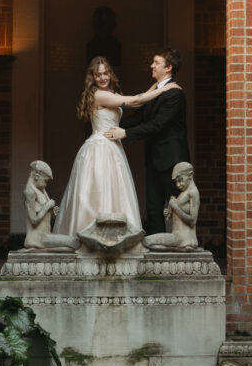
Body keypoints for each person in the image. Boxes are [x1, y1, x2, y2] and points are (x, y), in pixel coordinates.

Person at [53, 56, 176, 237]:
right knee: (97, 192)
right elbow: (134, 101)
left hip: (113, 148)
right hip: (99, 149)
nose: (102, 77)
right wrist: (165, 88)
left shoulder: (112, 93)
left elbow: (139, 101)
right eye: (98, 75)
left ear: (110, 74)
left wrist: (156, 87)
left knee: (115, 193)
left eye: (105, 73)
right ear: (92, 77)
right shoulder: (99, 94)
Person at [105, 48, 190, 235]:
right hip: (153, 160)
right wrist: (107, 123)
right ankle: (156, 250)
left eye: (156, 62)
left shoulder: (174, 94)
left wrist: (125, 133)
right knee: (153, 209)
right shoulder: (158, 92)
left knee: (179, 209)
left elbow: (157, 125)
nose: (152, 65)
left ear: (168, 68)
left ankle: (183, 250)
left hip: (171, 160)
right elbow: (140, 116)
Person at [23, 160, 79, 251]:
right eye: (45, 181)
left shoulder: (41, 190)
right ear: (36, 176)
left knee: (74, 244)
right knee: (74, 243)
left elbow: (43, 216)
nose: (45, 184)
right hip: (38, 239)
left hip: (45, 235)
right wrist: (47, 206)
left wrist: (52, 213)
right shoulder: (30, 192)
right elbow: (33, 220)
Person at [144, 162, 200, 251]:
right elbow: (178, 218)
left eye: (180, 180)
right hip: (178, 237)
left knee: (146, 241)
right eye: (176, 182)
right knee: (149, 244)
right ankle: (181, 248)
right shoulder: (184, 193)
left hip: (183, 237)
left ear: (190, 175)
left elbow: (193, 221)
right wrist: (169, 212)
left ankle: (184, 246)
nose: (178, 185)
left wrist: (175, 207)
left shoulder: (193, 192)